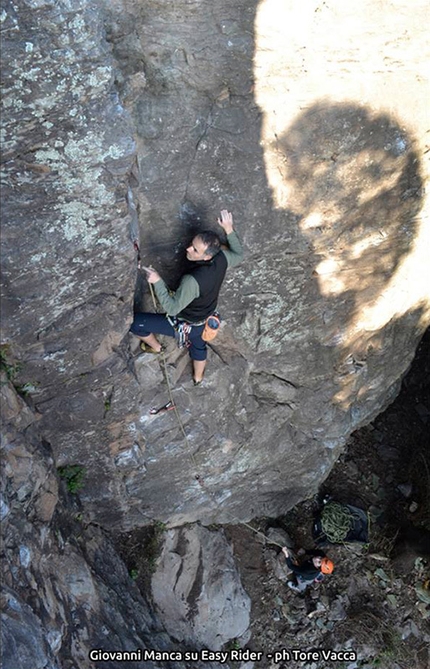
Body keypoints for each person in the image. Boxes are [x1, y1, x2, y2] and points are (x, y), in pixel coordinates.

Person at [130, 210, 243, 384]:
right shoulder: (222, 258)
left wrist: (158, 281)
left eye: (195, 250)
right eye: (192, 244)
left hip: (185, 323)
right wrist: (228, 229)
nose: (188, 249)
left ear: (207, 256)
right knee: (199, 346)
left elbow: (173, 308)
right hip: (205, 319)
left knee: (135, 323)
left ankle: (157, 347)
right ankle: (198, 378)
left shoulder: (192, 281)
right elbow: (238, 255)